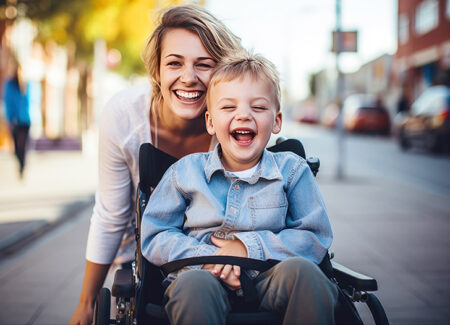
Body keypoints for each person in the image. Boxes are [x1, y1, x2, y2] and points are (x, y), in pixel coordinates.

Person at [70, 5, 243, 324]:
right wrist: (85, 303)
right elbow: (111, 215)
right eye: (174, 63)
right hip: (152, 262)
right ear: (156, 71)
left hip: (228, 261)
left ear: (222, 72)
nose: (188, 78)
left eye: (204, 64)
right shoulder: (124, 116)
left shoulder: (239, 119)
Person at [141, 53, 338, 325]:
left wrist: (247, 249)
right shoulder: (185, 172)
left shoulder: (292, 170)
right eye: (228, 108)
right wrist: (211, 257)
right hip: (202, 275)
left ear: (277, 121)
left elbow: (314, 236)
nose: (243, 115)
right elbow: (156, 234)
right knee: (193, 286)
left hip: (272, 274)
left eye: (258, 108)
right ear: (210, 122)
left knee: (307, 274)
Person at [3, 57, 31, 178]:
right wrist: (10, 117)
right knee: (17, 147)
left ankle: (22, 165)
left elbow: (28, 102)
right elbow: (8, 102)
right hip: (17, 120)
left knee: (22, 145)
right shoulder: (9, 84)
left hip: (24, 120)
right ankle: (21, 163)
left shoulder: (26, 84)